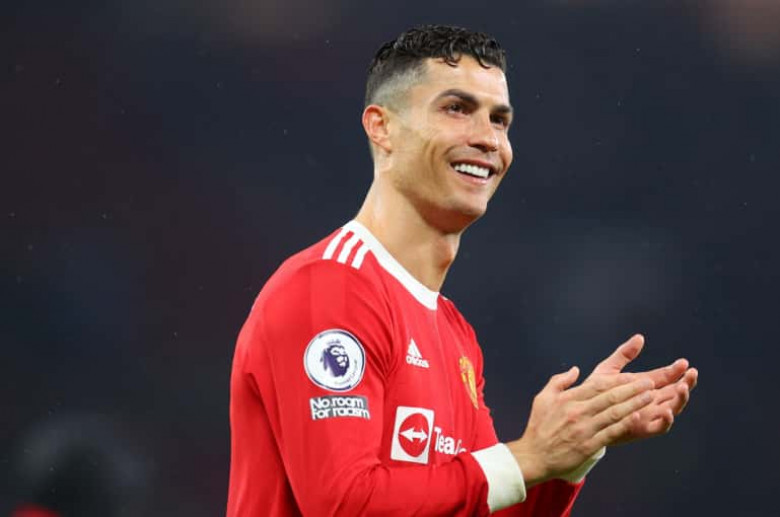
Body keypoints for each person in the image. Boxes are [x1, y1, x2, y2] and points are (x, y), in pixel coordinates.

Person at [227, 25, 698, 516]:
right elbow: (344, 504)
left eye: (499, 120)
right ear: (381, 127)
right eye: (456, 109)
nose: (488, 139)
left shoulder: (454, 334)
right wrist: (529, 457)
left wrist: (572, 451)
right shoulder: (330, 288)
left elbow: (476, 499)